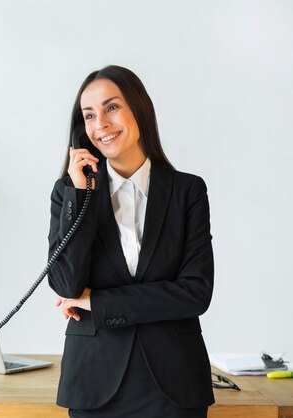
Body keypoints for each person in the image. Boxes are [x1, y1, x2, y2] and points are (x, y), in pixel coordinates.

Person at [47, 65, 215, 417]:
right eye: (89, 115)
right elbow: (65, 283)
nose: (101, 125)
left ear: (139, 108)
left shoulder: (187, 191)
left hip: (175, 386)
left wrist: (98, 301)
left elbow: (195, 293)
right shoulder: (70, 194)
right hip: (94, 383)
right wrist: (81, 194)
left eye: (111, 108)